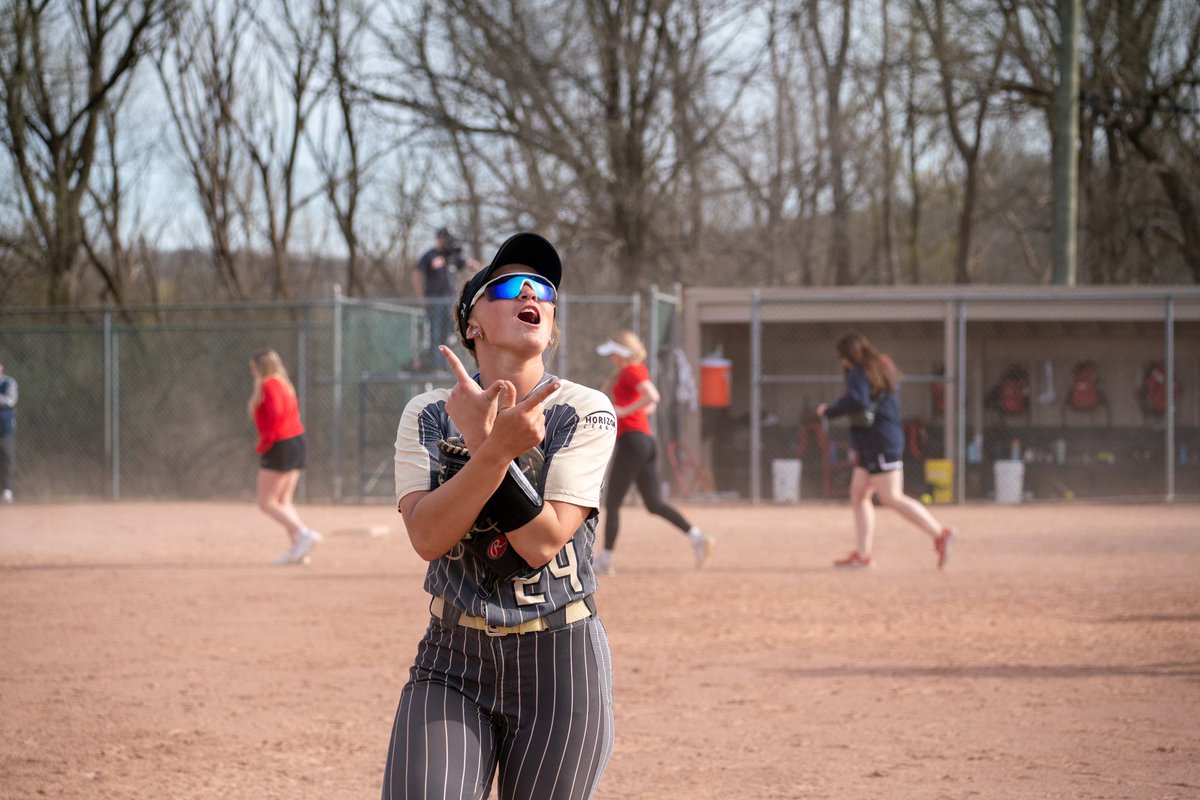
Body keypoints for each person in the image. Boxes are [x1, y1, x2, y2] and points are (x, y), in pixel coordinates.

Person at [385, 232, 618, 800]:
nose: (532, 294)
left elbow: (541, 543)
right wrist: (489, 447)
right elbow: (427, 535)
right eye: (511, 285)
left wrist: (486, 444)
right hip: (452, 659)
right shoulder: (428, 414)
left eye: (543, 290)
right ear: (472, 324)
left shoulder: (585, 410)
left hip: (560, 665)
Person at [816, 332, 955, 570]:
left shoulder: (861, 371)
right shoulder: (879, 367)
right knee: (859, 494)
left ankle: (940, 533)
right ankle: (863, 555)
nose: (843, 363)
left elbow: (857, 400)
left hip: (880, 442)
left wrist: (829, 410)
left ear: (848, 356)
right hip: (873, 441)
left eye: (843, 358)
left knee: (891, 497)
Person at [593, 331, 713, 575]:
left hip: (633, 442)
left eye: (614, 352)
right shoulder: (634, 371)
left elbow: (652, 396)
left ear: (622, 353)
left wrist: (624, 411)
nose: (612, 357)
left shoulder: (631, 370)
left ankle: (606, 559)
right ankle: (697, 538)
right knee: (653, 503)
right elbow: (651, 404)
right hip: (645, 441)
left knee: (613, 502)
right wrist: (635, 410)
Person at [247, 349, 321, 566]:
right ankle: (299, 548)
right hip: (295, 441)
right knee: (283, 501)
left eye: (253, 367)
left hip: (280, 443)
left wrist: (266, 441)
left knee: (266, 502)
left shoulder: (268, 384)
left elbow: (275, 414)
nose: (252, 371)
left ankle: (303, 533)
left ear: (260, 367)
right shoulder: (283, 384)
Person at [411, 226, 479, 369]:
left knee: (452, 332)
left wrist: (475, 265)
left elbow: (466, 262)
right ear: (440, 238)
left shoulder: (451, 257)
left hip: (450, 302)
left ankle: (449, 365)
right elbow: (417, 272)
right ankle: (436, 366)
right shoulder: (430, 255)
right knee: (435, 333)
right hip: (434, 301)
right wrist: (421, 298)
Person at [0, 359, 16, 504]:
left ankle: (7, 490)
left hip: (5, 427)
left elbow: (11, 400)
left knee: (7, 457)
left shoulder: (9, 382)